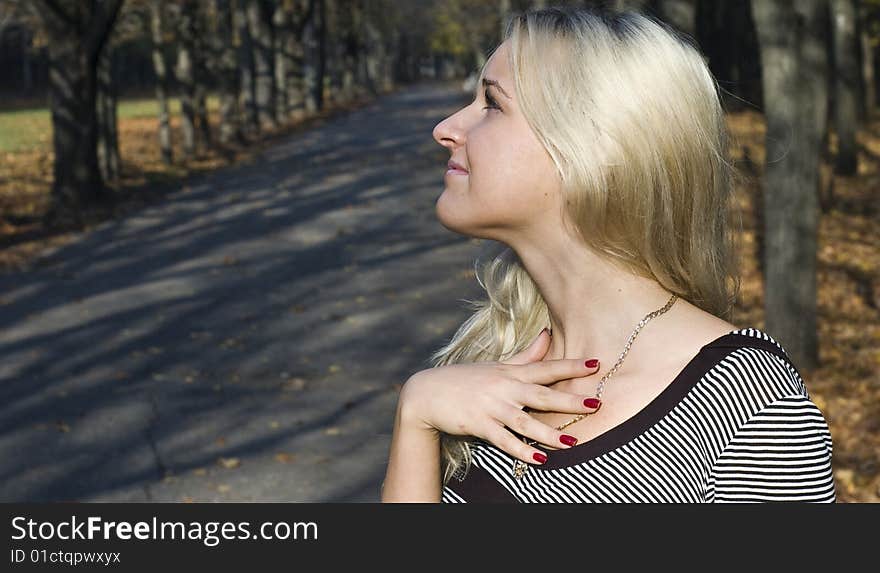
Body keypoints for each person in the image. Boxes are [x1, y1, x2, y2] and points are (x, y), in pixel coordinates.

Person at [380, 5, 835, 503]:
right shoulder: (495, 356)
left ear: (595, 147)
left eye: (492, 103)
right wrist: (417, 413)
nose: (446, 128)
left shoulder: (750, 410)